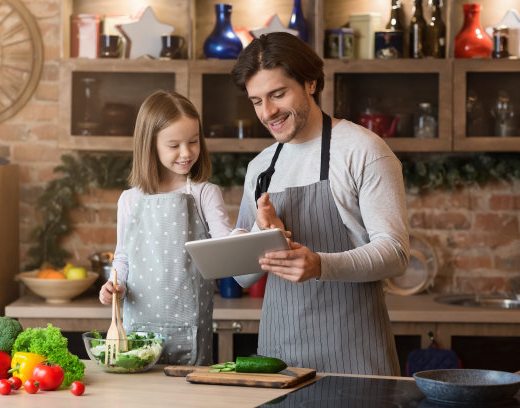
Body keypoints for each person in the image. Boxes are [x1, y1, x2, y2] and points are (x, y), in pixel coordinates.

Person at [231, 32, 410, 376]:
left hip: (354, 358)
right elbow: (242, 276)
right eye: (256, 101)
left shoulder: (363, 151)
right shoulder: (261, 169)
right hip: (279, 360)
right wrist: (261, 231)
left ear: (310, 83)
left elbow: (395, 253)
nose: (267, 113)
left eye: (278, 94)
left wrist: (319, 265)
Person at [99, 90, 232, 365]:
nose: (187, 153)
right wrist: (116, 284)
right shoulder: (130, 199)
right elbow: (123, 257)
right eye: (174, 145)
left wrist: (247, 234)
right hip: (138, 333)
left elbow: (227, 249)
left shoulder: (204, 193)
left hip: (191, 330)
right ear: (151, 145)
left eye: (193, 142)